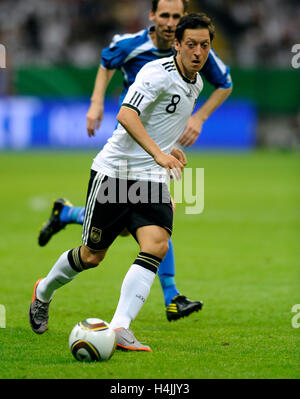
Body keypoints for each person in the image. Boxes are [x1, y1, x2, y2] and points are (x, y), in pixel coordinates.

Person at [30, 12, 217, 351]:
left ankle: (119, 327)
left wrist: (171, 151)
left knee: (157, 243)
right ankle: (44, 290)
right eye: (191, 44)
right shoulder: (155, 73)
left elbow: (162, 131)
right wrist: (159, 156)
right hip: (114, 173)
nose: (198, 52)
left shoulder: (197, 85)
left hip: (149, 179)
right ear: (176, 44)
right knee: (91, 256)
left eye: (204, 45)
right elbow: (126, 114)